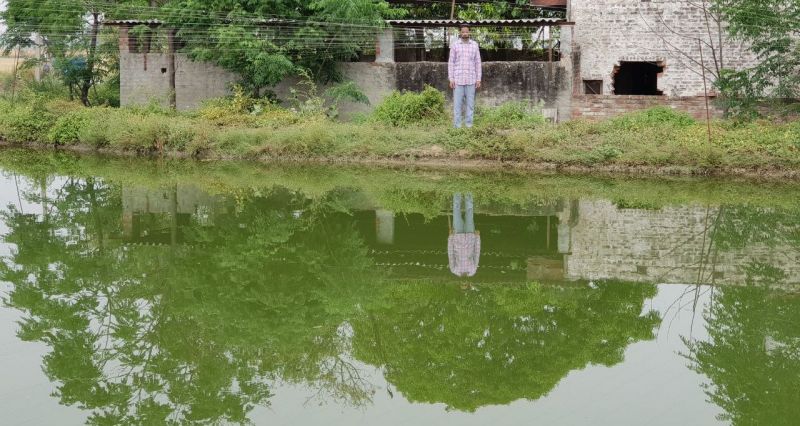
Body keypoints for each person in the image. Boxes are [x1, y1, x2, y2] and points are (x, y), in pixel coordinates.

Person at [448, 25, 482, 128]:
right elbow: (451, 62)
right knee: (457, 106)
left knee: (470, 105)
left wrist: (478, 79)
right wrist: (451, 79)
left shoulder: (475, 45)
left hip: (471, 80)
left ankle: (469, 126)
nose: (465, 33)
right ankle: (457, 127)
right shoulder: (455, 45)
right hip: (458, 80)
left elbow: (478, 63)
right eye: (463, 32)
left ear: (469, 33)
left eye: (467, 32)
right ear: (460, 33)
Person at [448, 193, 480, 277]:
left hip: (457, 236)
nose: (464, 283)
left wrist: (450, 237)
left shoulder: (454, 270)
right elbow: (477, 252)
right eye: (465, 285)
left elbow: (450, 253)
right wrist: (478, 237)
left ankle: (457, 192)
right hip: (470, 236)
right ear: (468, 284)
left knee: (456, 212)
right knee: (469, 213)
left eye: (462, 285)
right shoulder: (473, 270)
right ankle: (468, 192)